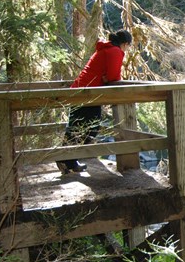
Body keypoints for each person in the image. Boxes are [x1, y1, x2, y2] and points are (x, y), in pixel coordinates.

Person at [57, 29, 133, 174]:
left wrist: (106, 78)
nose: (127, 49)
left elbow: (108, 76)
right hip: (87, 93)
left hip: (83, 91)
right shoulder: (115, 51)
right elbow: (113, 77)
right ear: (124, 44)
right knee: (88, 128)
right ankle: (65, 159)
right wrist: (107, 78)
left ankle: (69, 161)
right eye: (128, 46)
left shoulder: (106, 49)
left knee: (80, 126)